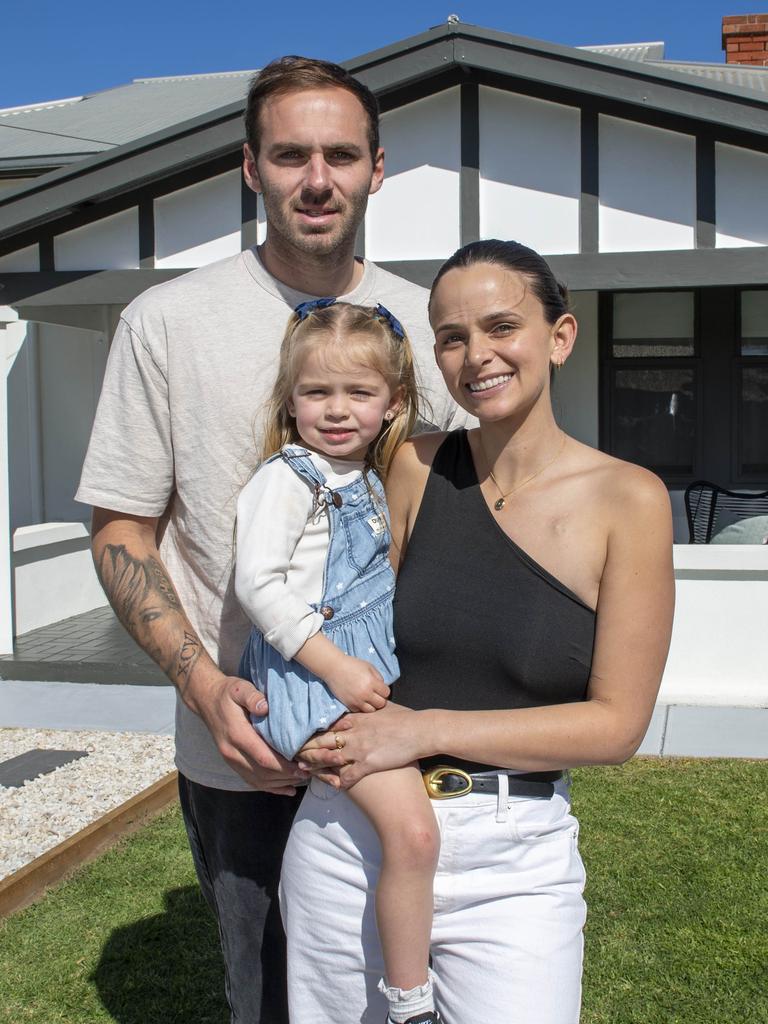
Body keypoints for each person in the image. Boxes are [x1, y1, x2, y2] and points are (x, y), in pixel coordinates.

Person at [75, 57, 467, 1024]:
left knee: (412, 985)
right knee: (273, 998)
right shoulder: (166, 323)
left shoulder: (434, 322)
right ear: (251, 168)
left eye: (340, 153)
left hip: (406, 729)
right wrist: (203, 687)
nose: (317, 178)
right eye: (291, 154)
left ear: (379, 167)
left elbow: (473, 513)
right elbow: (123, 525)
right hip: (244, 748)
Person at [282, 239, 676, 1024]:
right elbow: (327, 617)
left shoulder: (628, 501)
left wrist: (422, 729)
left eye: (503, 326)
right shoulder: (408, 468)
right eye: (453, 336)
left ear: (560, 336)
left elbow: (617, 726)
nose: (477, 355)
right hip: (352, 836)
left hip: (514, 858)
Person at [236, 299, 441, 1024]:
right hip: (314, 684)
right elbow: (257, 584)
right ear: (290, 403)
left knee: (395, 836)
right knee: (414, 832)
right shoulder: (286, 481)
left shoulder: (367, 479)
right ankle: (412, 1000)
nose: (337, 409)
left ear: (392, 404)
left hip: (347, 676)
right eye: (317, 391)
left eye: (359, 392)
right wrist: (335, 668)